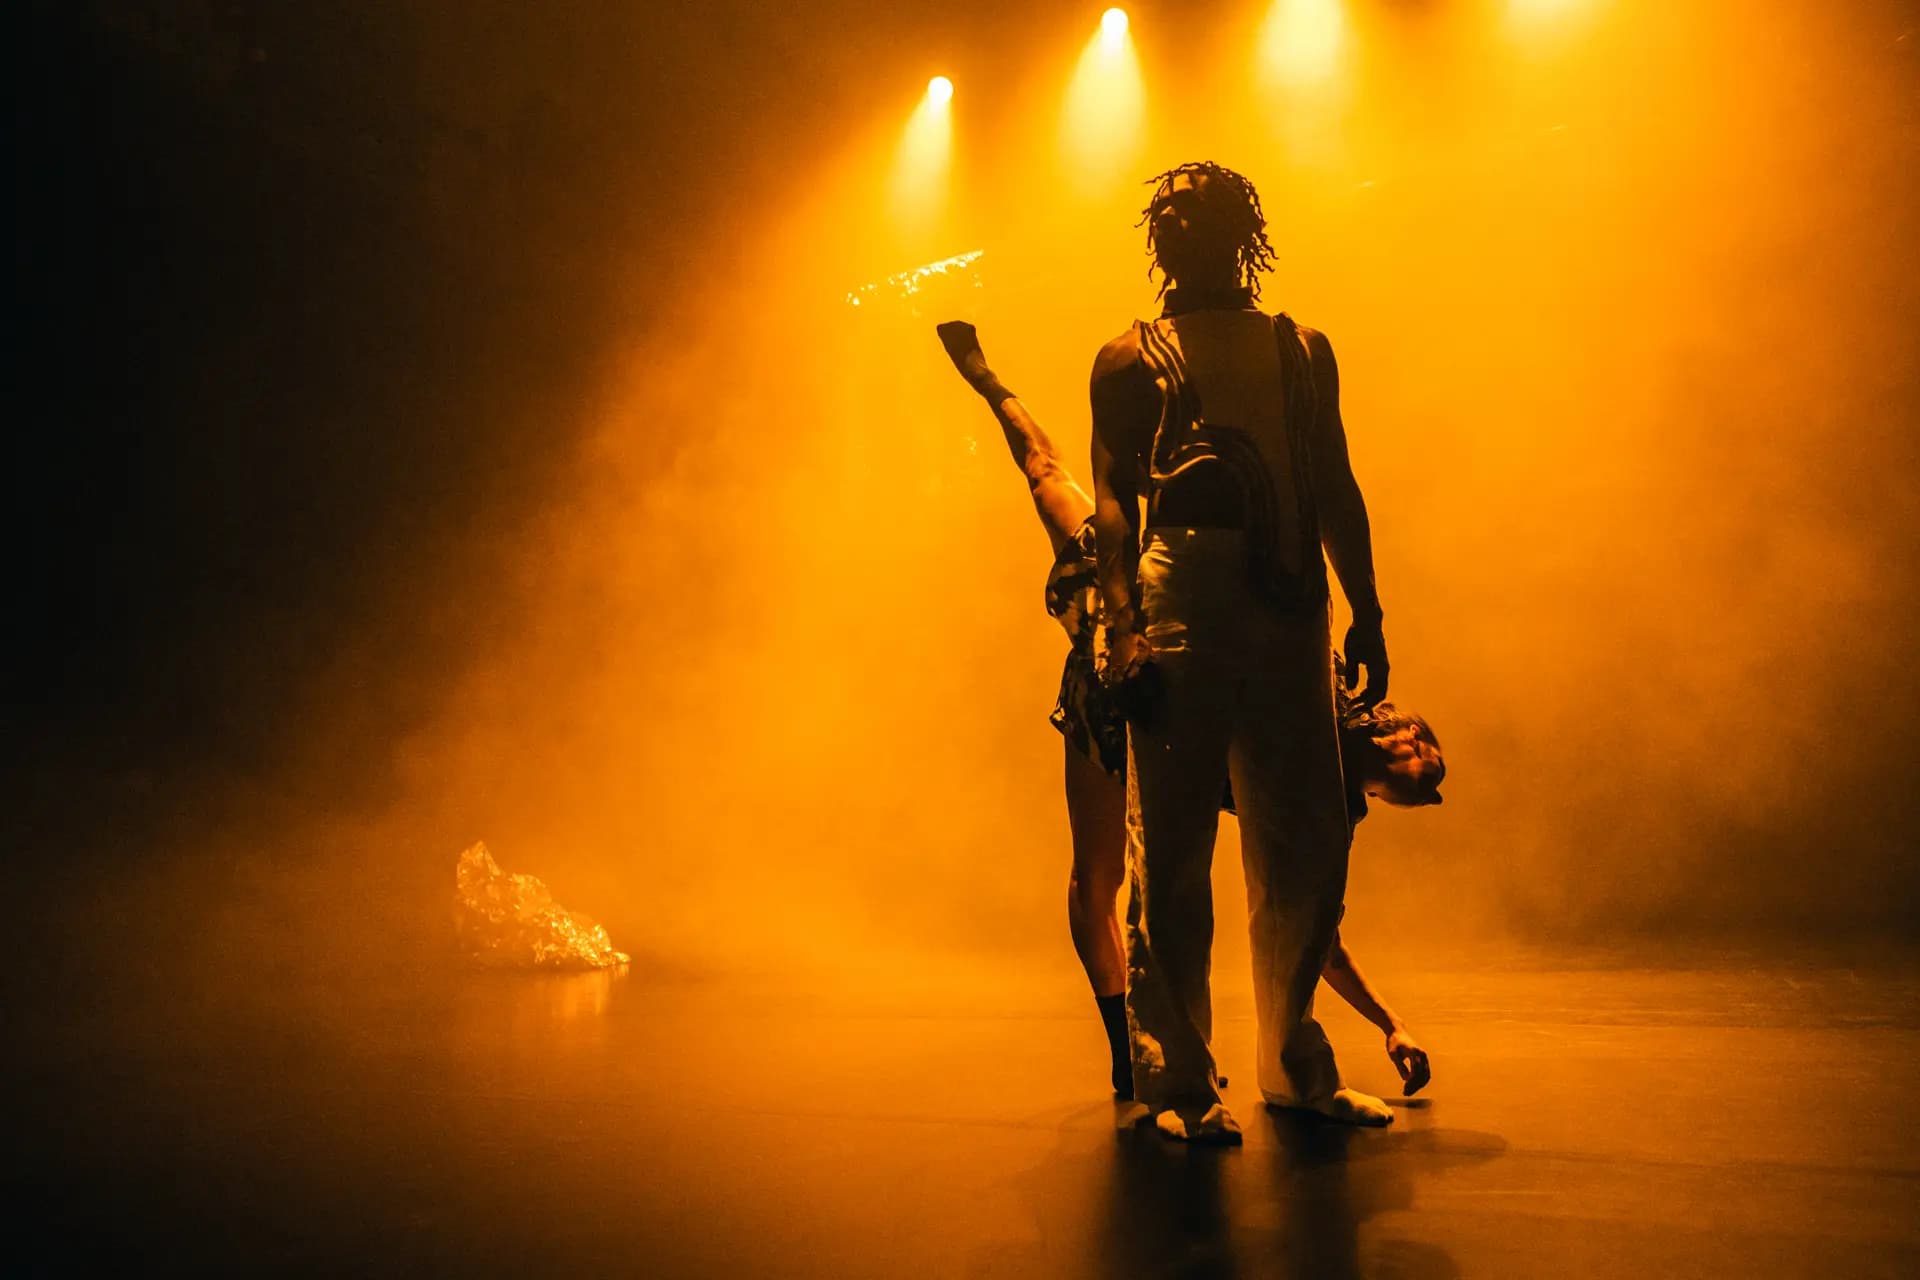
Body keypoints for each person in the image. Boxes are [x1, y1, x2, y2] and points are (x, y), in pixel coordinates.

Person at [935, 317, 1440, 1112]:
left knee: (1137, 871)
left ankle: (1167, 1048)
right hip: (1118, 631)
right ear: (1401, 733)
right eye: (1428, 774)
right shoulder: (1326, 700)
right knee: (1045, 474)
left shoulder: (1323, 773)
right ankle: (990, 382)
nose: (1431, 793)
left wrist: (1390, 1023)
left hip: (1171, 648)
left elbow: (1311, 936)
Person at [1087, 161, 1397, 1143]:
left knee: (1305, 836)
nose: (1179, 222)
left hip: (1292, 593)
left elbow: (1335, 479)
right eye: (1167, 211)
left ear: (1239, 230)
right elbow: (1111, 502)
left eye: (1197, 210)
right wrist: (1124, 620)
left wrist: (1370, 609)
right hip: (1183, 587)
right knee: (1171, 844)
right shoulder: (1130, 357)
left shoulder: (1300, 348)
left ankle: (1294, 1061)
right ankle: (1179, 1080)